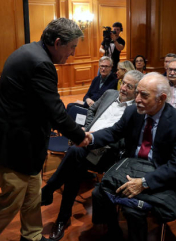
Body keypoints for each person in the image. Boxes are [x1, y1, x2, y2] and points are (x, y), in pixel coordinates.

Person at [0, 18, 87, 241]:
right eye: (72, 47)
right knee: (13, 195)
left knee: (33, 191)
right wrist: (80, 136)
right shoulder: (41, 64)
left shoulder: (30, 50)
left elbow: (42, 107)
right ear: (57, 42)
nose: (73, 53)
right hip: (9, 142)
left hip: (22, 141)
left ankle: (32, 236)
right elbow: (55, 111)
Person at [85, 72, 176, 241]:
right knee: (99, 193)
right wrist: (90, 138)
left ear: (161, 98)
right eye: (137, 93)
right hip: (131, 167)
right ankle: (113, 232)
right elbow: (114, 133)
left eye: (144, 95)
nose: (137, 99)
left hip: (159, 173)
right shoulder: (132, 112)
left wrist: (144, 183)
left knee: (132, 209)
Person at [42, 70, 144, 241]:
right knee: (74, 165)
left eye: (129, 86)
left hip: (107, 153)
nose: (124, 87)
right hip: (86, 146)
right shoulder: (110, 93)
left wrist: (91, 140)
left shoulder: (136, 110)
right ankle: (61, 217)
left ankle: (51, 192)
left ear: (136, 90)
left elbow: (123, 141)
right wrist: (87, 131)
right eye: (123, 83)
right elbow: (91, 110)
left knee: (75, 154)